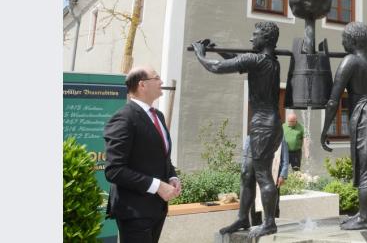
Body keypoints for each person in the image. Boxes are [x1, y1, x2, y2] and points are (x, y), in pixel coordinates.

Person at [192, 21, 283, 238]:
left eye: (256, 35)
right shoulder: (269, 61)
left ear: (267, 39)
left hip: (264, 125)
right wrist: (222, 50)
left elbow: (216, 67)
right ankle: (243, 218)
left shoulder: (257, 59)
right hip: (263, 124)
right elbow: (238, 62)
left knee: (262, 175)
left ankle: (269, 223)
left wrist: (200, 54)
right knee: (246, 173)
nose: (251, 39)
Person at [321, 22, 367, 230]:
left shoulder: (350, 60)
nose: (342, 41)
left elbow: (334, 100)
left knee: (366, 172)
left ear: (353, 40)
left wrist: (325, 129)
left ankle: (365, 218)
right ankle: (362, 213)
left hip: (366, 116)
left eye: (344, 38)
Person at [103, 66, 181, 243]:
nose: (162, 82)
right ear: (142, 85)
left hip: (157, 209)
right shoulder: (124, 118)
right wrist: (158, 186)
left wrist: (172, 176)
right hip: (134, 212)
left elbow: (161, 156)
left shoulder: (158, 116)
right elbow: (114, 170)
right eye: (157, 78)